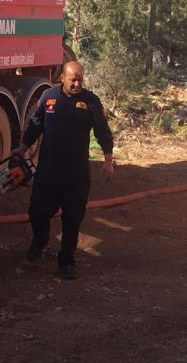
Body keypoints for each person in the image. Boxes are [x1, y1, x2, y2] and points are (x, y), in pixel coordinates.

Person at [13, 60, 115, 280]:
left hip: (76, 173)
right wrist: (22, 147)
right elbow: (36, 125)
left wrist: (108, 160)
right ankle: (39, 243)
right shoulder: (48, 97)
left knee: (73, 218)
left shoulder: (91, 102)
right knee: (38, 211)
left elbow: (103, 133)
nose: (77, 83)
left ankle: (66, 260)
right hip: (48, 170)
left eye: (80, 79)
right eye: (73, 79)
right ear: (62, 78)